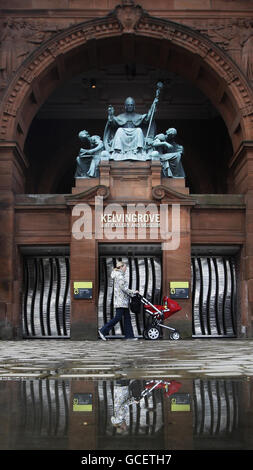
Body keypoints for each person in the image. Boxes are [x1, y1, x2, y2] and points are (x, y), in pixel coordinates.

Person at [98, 261, 138, 340]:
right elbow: (124, 288)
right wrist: (134, 292)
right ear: (121, 267)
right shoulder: (119, 276)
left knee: (127, 318)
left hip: (123, 301)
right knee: (118, 317)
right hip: (121, 301)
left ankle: (129, 336)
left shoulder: (118, 275)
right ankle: (103, 330)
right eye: (125, 267)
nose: (126, 268)